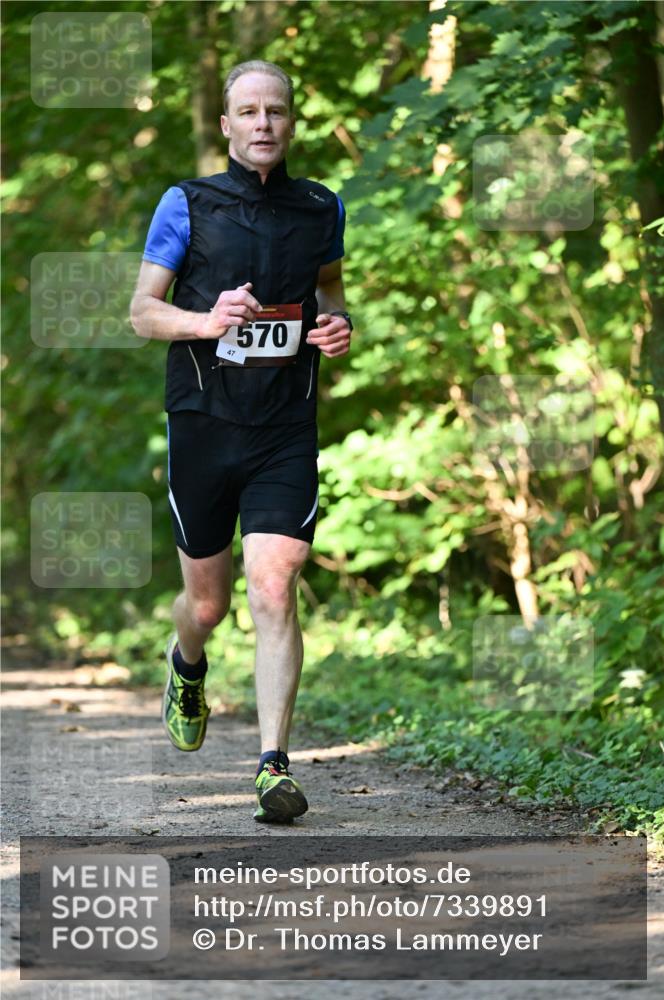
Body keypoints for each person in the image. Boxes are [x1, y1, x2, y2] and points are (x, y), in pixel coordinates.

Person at [130, 60, 352, 823]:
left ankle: (272, 768)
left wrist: (336, 325)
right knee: (208, 604)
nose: (263, 123)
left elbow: (329, 291)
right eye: (249, 112)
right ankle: (186, 663)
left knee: (274, 582)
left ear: (291, 122)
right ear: (226, 125)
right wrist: (206, 320)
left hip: (284, 425)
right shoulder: (187, 204)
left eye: (276, 110)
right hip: (203, 423)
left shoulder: (321, 207)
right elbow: (141, 312)